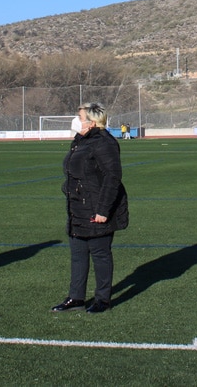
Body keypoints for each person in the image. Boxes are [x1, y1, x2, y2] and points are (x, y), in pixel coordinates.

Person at [53, 102, 128, 314]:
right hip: (77, 207)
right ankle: (76, 297)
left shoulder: (104, 143)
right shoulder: (81, 141)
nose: (76, 121)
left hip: (96, 207)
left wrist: (103, 211)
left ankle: (102, 299)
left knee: (100, 253)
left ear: (93, 121)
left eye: (80, 117)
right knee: (78, 254)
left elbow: (112, 177)